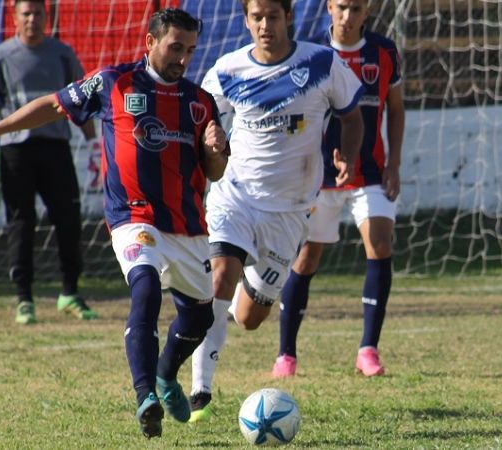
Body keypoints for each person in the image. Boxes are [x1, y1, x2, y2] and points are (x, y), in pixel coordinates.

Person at [0, 8, 228, 439]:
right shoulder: (113, 83)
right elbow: (52, 105)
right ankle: (145, 397)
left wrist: (217, 149)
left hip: (188, 226)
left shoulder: (200, 102)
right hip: (134, 217)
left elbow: (213, 172)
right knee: (144, 287)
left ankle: (164, 374)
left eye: (190, 50)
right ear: (149, 42)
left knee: (199, 319)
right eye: (176, 47)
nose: (183, 58)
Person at [187, 0, 365, 422]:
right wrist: (211, 138)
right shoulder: (228, 71)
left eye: (272, 16)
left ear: (288, 17)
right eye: (256, 17)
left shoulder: (322, 63)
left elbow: (353, 116)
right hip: (236, 196)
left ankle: (225, 311)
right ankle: (200, 390)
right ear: (246, 21)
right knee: (219, 276)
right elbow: (203, 121)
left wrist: (349, 155)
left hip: (290, 209)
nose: (264, 25)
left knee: (249, 318)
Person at [272, 0, 405, 378]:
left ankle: (368, 349)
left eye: (357, 8)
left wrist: (394, 162)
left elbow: (395, 108)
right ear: (329, 7)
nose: (348, 16)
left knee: (380, 245)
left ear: (368, 12)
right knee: (307, 259)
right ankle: (286, 355)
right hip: (319, 176)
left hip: (372, 171)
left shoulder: (384, 52)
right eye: (342, 7)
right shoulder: (309, 53)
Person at [0, 0, 100, 325]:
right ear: (14, 17)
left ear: (47, 17)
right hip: (16, 154)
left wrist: (95, 145)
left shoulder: (63, 54)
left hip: (56, 150)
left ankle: (70, 291)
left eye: (38, 13)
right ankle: (24, 298)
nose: (32, 19)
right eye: (26, 13)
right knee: (20, 224)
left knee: (69, 220)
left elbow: (81, 103)